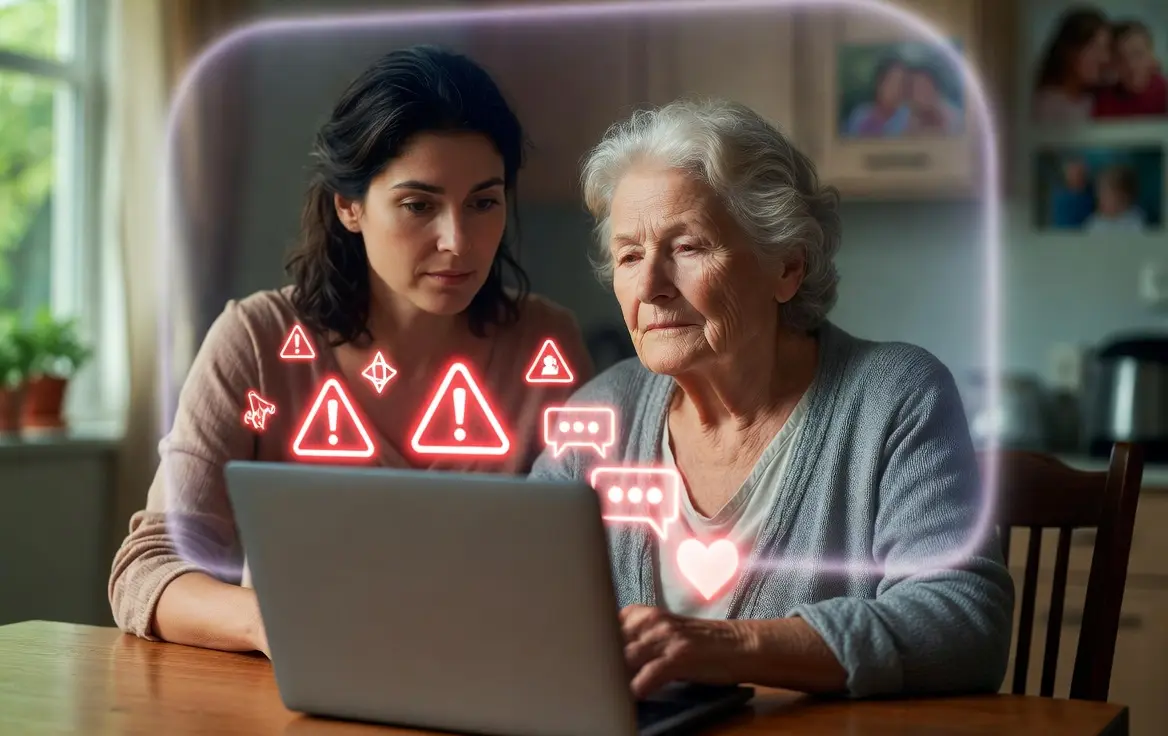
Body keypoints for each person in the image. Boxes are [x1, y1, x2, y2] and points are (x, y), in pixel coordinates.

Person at [109, 46, 594, 656]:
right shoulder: (256, 343)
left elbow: (596, 563)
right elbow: (147, 570)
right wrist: (278, 622)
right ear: (350, 206)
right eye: (419, 204)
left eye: (484, 202)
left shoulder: (546, 346)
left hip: (491, 680)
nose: (458, 240)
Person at [531, 98, 1014, 699]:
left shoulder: (894, 396)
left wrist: (728, 648)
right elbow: (511, 596)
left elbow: (964, 621)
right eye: (630, 256)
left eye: (687, 247)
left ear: (787, 266)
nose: (650, 286)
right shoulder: (601, 414)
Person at [1033, 7, 1111, 125]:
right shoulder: (1048, 105)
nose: (1104, 58)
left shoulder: (1094, 100)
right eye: (1094, 48)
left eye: (1105, 49)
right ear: (1069, 51)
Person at [1094, 20, 1168, 119]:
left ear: (1151, 57)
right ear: (1112, 64)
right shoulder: (1104, 100)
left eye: (1138, 54)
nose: (1131, 66)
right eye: (1121, 58)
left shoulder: (1164, 92)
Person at [843, 56, 910, 137]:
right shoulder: (859, 115)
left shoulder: (907, 118)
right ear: (879, 83)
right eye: (893, 82)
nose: (897, 90)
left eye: (902, 83)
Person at [1084, 164, 1146, 232]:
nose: (1100, 199)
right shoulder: (1094, 222)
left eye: (1106, 194)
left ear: (1123, 198)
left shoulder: (1134, 221)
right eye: (1099, 193)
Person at [903, 65, 962, 135]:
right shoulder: (908, 119)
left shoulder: (955, 118)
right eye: (917, 89)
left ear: (934, 88)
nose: (921, 93)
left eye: (925, 86)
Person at [1051, 157, 1096, 229]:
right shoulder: (1061, 199)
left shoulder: (1093, 193)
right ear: (1067, 175)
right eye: (1073, 173)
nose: (1077, 177)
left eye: (1080, 173)